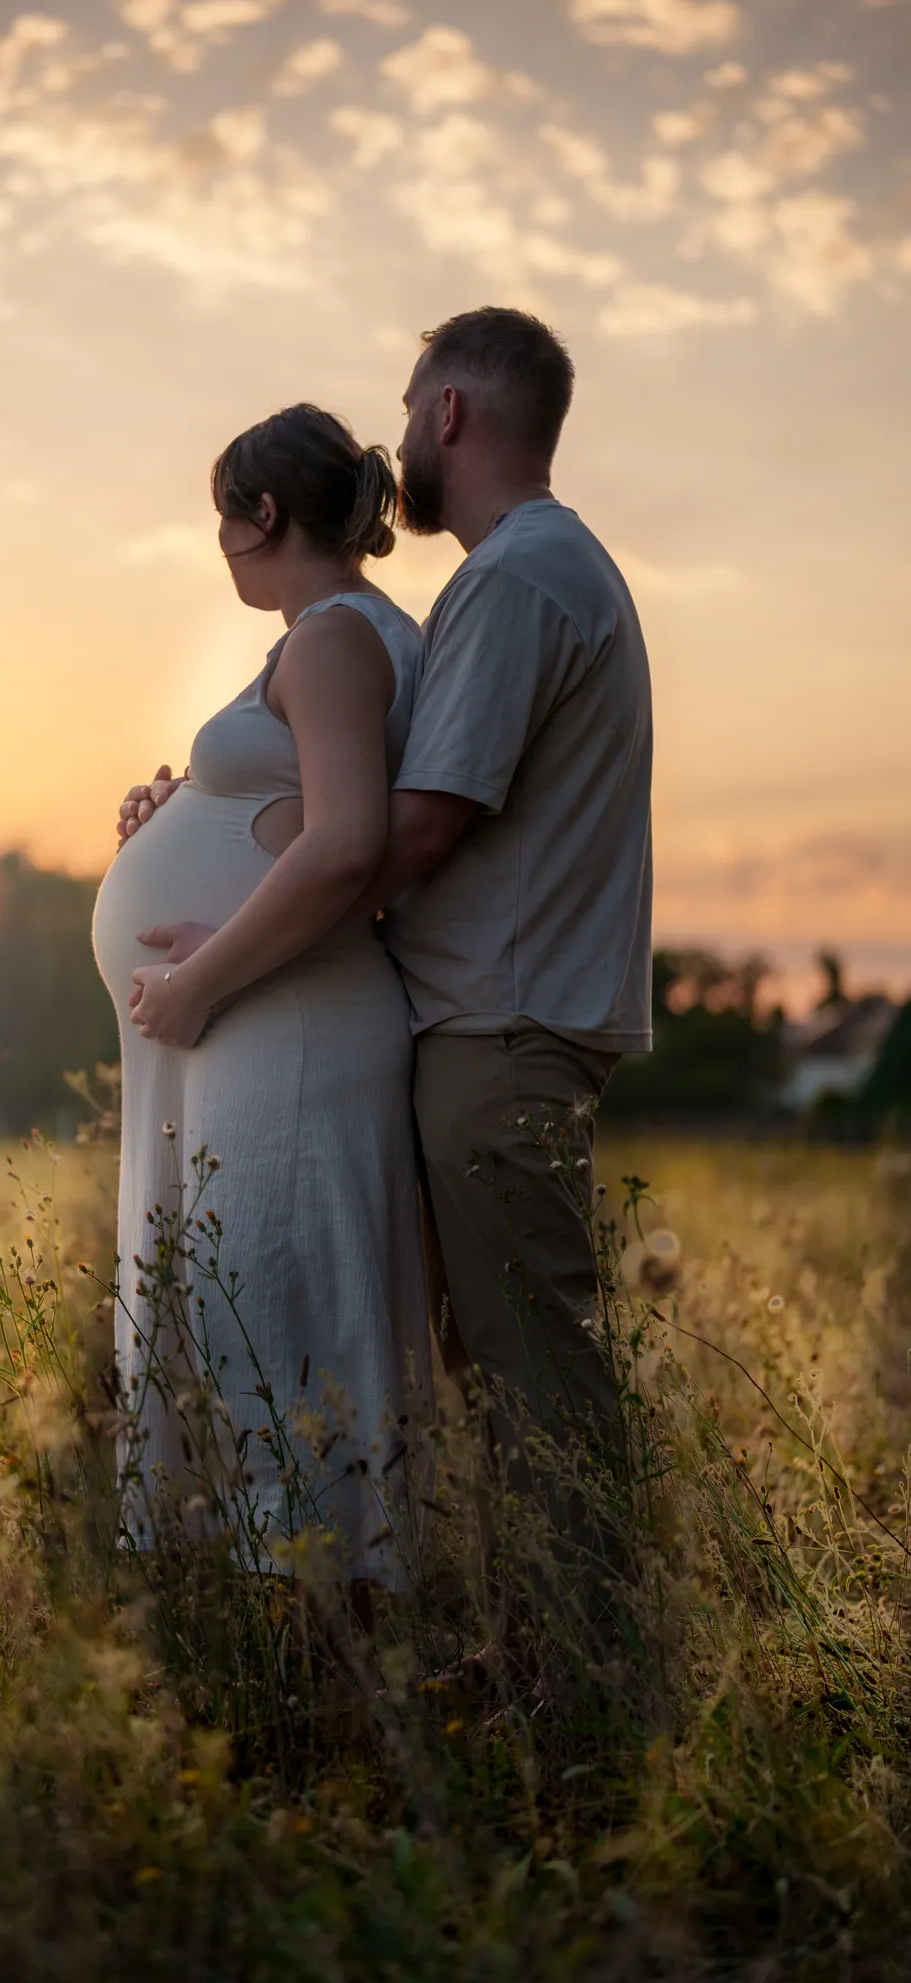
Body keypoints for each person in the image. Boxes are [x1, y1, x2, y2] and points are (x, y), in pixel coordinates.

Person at [122, 308, 654, 1660]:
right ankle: (538, 1653)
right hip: (483, 1017)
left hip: (501, 1020)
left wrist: (219, 946)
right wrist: (208, 824)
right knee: (493, 1361)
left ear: (452, 412)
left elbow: (393, 836)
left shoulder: (513, 580)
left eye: (416, 404)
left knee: (528, 1367)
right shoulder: (497, 585)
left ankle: (589, 1676)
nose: (401, 433)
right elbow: (363, 808)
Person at [91, 404, 431, 1586]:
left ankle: (310, 1628)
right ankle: (273, 1616)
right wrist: (188, 808)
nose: (221, 546)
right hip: (260, 1016)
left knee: (272, 1326)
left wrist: (198, 977)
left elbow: (344, 841)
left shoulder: (333, 637)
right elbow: (292, 811)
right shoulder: (333, 636)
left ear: (264, 514)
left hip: (282, 1024)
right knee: (246, 1312)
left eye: (223, 519)